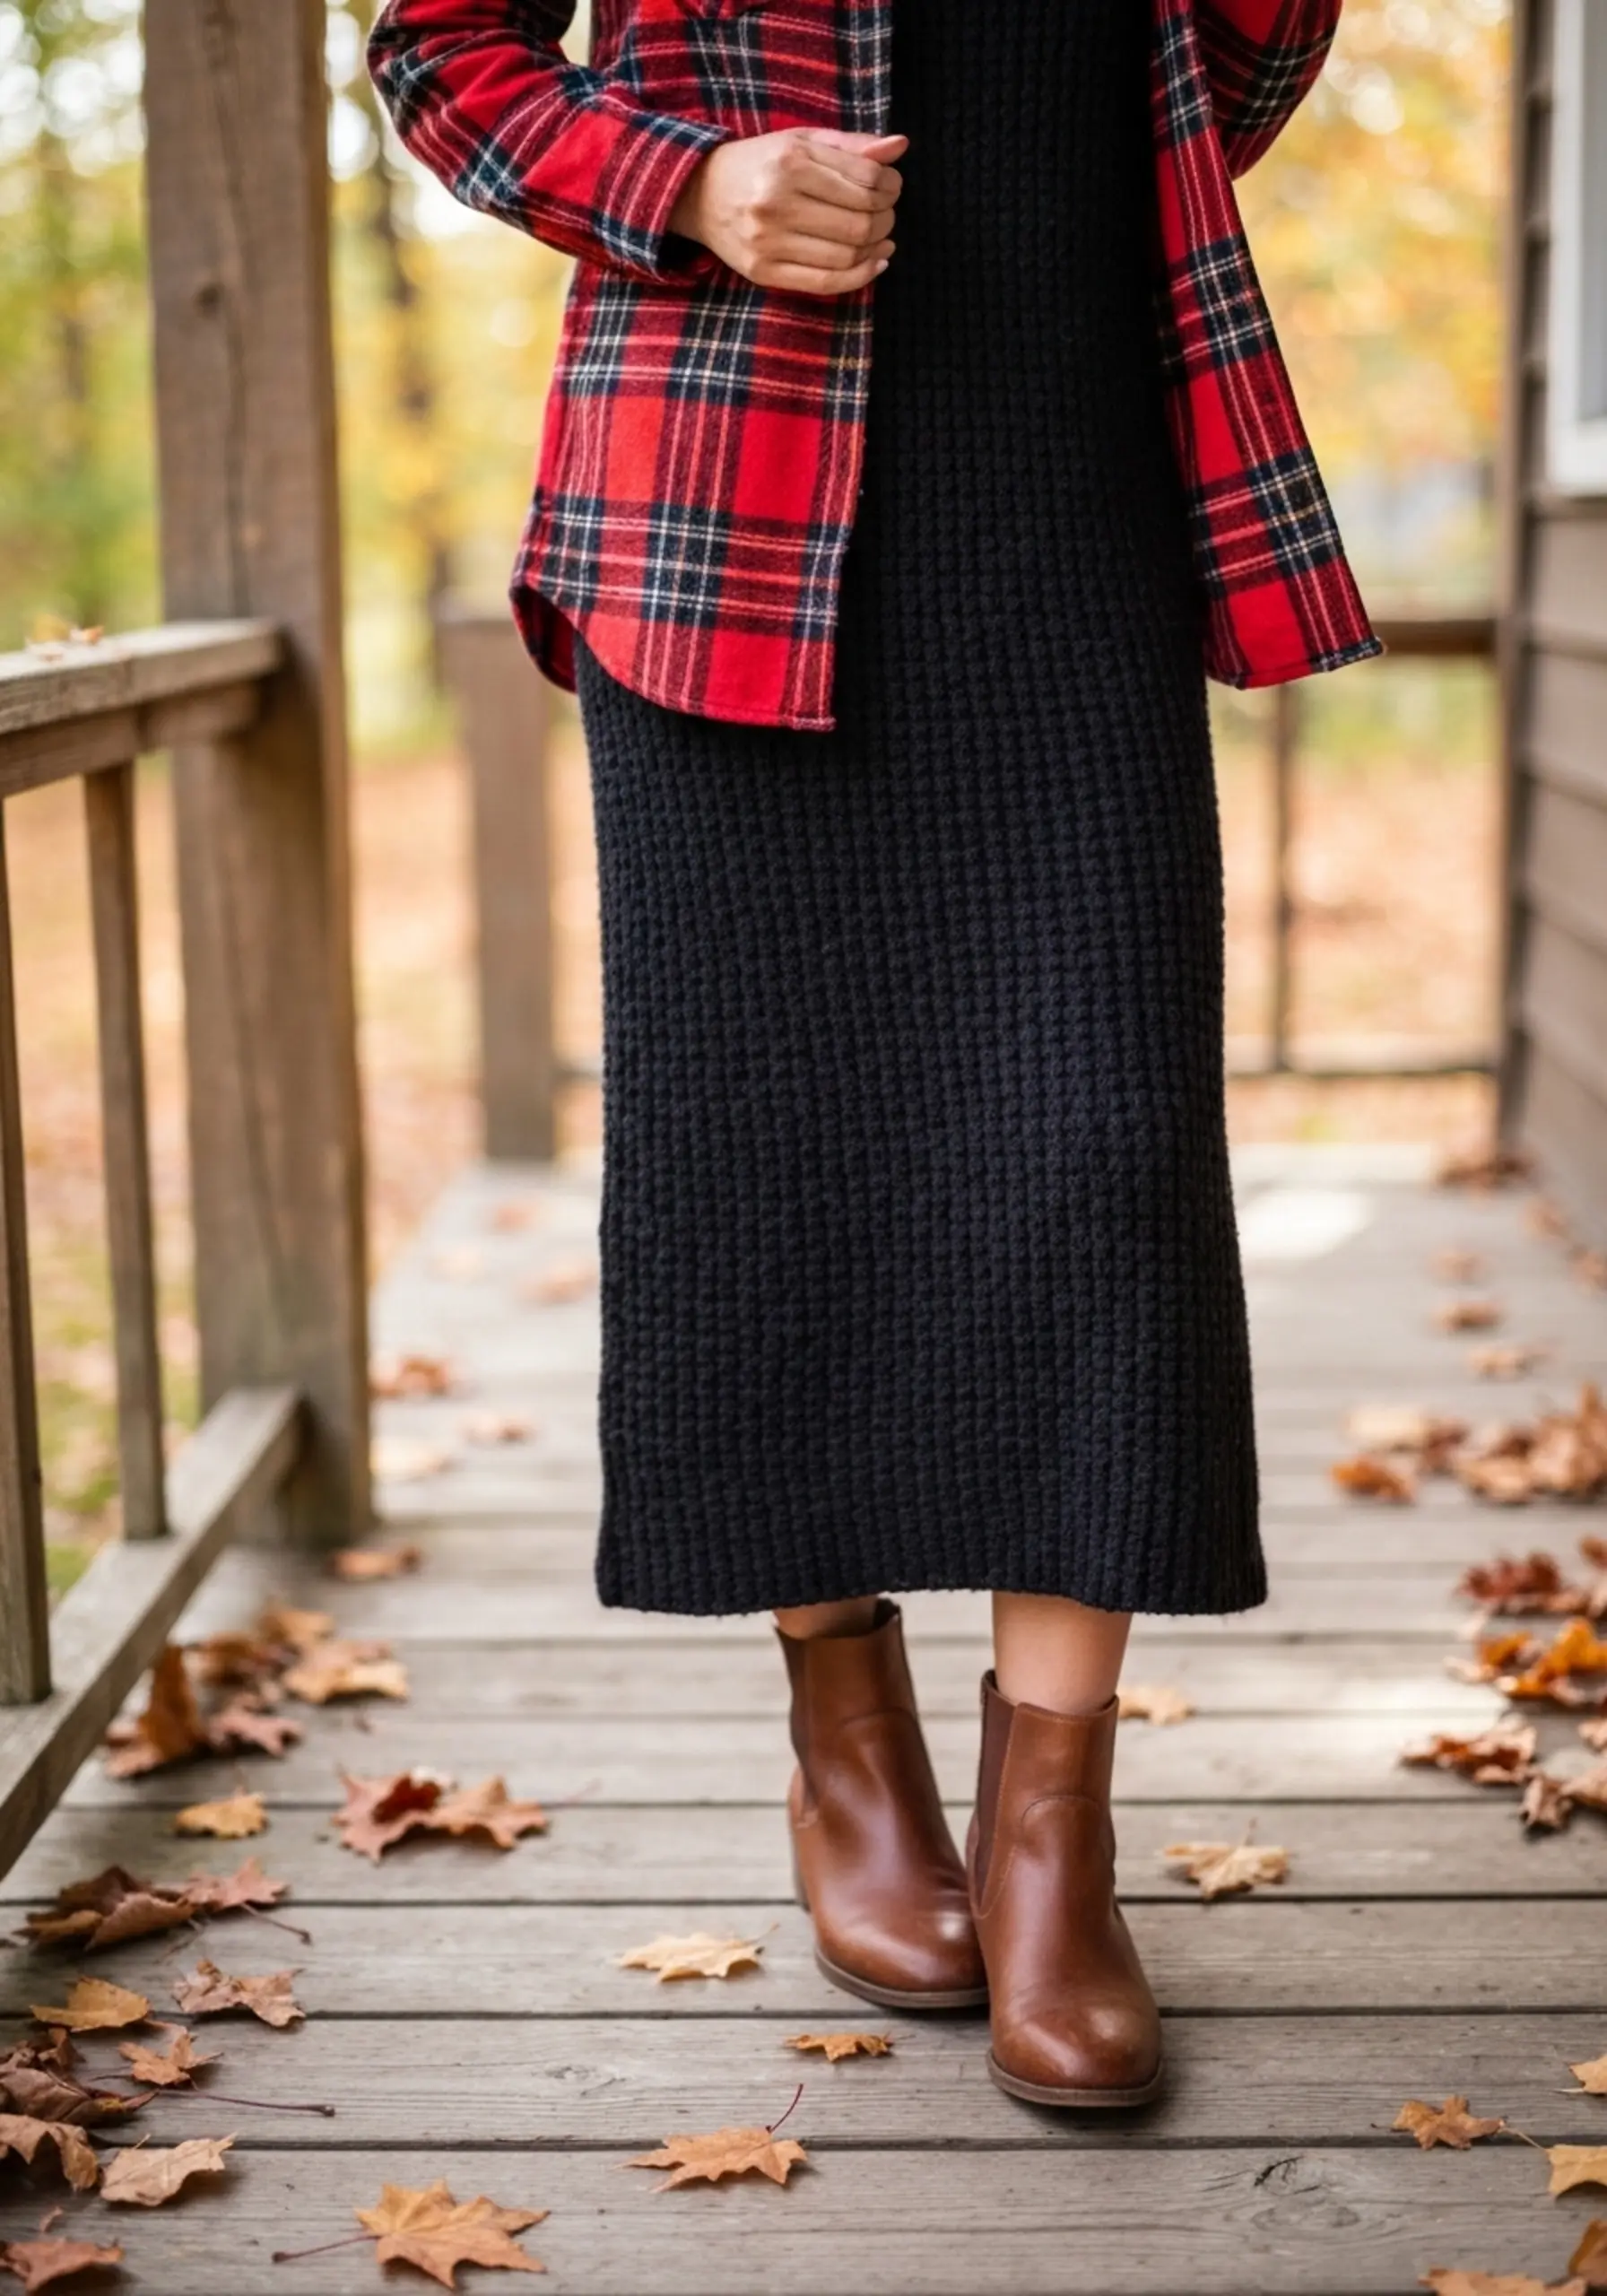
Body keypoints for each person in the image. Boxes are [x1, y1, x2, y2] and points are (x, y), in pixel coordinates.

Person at [369, 0, 1375, 2109]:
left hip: (1077, 500)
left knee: (1097, 1170)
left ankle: (1048, 1851)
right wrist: (691, 182)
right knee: (768, 1159)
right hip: (714, 530)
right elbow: (439, 52)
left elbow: (1239, 57)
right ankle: (851, 1758)